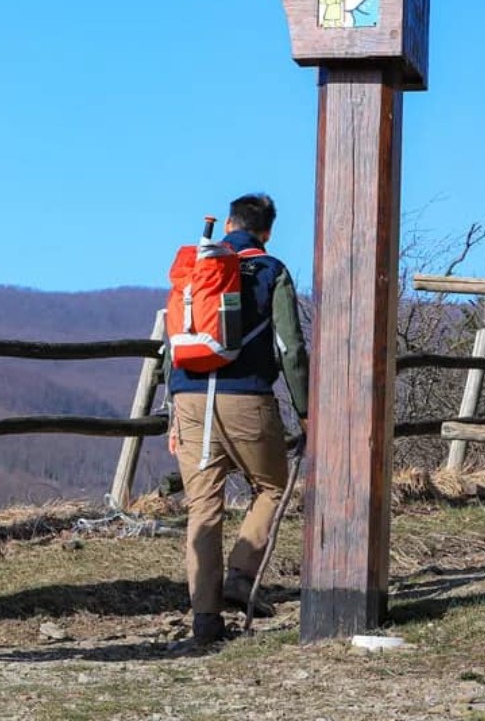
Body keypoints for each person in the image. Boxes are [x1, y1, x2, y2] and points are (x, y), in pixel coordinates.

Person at [168, 193, 309, 647]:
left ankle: (205, 620)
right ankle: (241, 577)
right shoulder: (272, 270)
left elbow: (176, 339)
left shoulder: (197, 266)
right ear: (267, 231)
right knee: (272, 486)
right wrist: (306, 410)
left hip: (189, 398)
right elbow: (290, 349)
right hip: (246, 397)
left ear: (228, 224)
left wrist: (172, 408)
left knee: (202, 507)